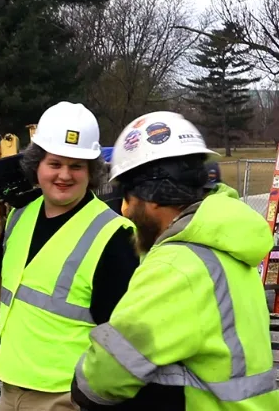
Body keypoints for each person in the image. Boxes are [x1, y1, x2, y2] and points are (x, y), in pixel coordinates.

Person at [0, 101, 148, 410]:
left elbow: (125, 341)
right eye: (55, 164)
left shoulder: (114, 236)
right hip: (10, 393)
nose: (64, 175)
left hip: (68, 400)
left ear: (92, 171)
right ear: (36, 165)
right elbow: (2, 289)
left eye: (76, 166)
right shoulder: (21, 217)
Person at [71, 111, 279, 410]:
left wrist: (80, 387)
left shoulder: (175, 266)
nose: (126, 211)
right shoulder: (228, 246)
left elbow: (105, 376)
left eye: (127, 196)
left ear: (153, 194)